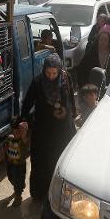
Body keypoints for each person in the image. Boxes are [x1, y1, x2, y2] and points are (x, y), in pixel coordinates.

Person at [20, 54, 76, 200]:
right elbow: (27, 102)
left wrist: (71, 112)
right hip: (43, 129)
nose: (51, 76)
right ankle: (40, 195)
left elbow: (70, 98)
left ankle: (57, 196)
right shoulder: (38, 82)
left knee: (59, 161)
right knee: (41, 162)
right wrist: (23, 118)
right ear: (44, 70)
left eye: (54, 73)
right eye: (48, 73)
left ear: (59, 71)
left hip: (62, 130)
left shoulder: (65, 79)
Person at [5, 116, 30, 207]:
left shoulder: (23, 140)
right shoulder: (10, 138)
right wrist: (0, 154)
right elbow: (5, 146)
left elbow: (25, 140)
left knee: (17, 181)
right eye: (13, 131)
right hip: (10, 163)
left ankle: (18, 196)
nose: (15, 134)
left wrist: (24, 132)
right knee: (10, 177)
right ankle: (19, 186)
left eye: (18, 132)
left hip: (20, 165)